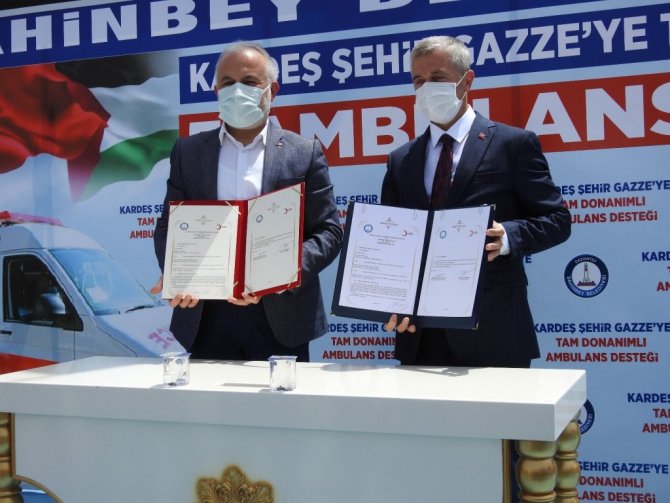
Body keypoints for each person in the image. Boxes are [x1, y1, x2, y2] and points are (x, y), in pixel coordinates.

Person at [382, 35, 571, 368]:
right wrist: (387, 299)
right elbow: (391, 240)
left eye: (437, 78)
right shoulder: (401, 159)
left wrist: (509, 236)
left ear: (467, 80)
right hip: (420, 333)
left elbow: (557, 220)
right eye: (418, 81)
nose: (427, 88)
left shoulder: (513, 144)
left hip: (493, 330)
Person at [152, 41, 343, 362]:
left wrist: (283, 273)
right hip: (205, 314)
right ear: (216, 91)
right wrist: (177, 275)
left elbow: (328, 232)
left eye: (250, 82)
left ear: (272, 90)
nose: (237, 90)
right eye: (228, 83)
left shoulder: (304, 153)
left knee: (280, 396)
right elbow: (168, 226)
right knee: (208, 396)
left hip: (282, 314)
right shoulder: (188, 152)